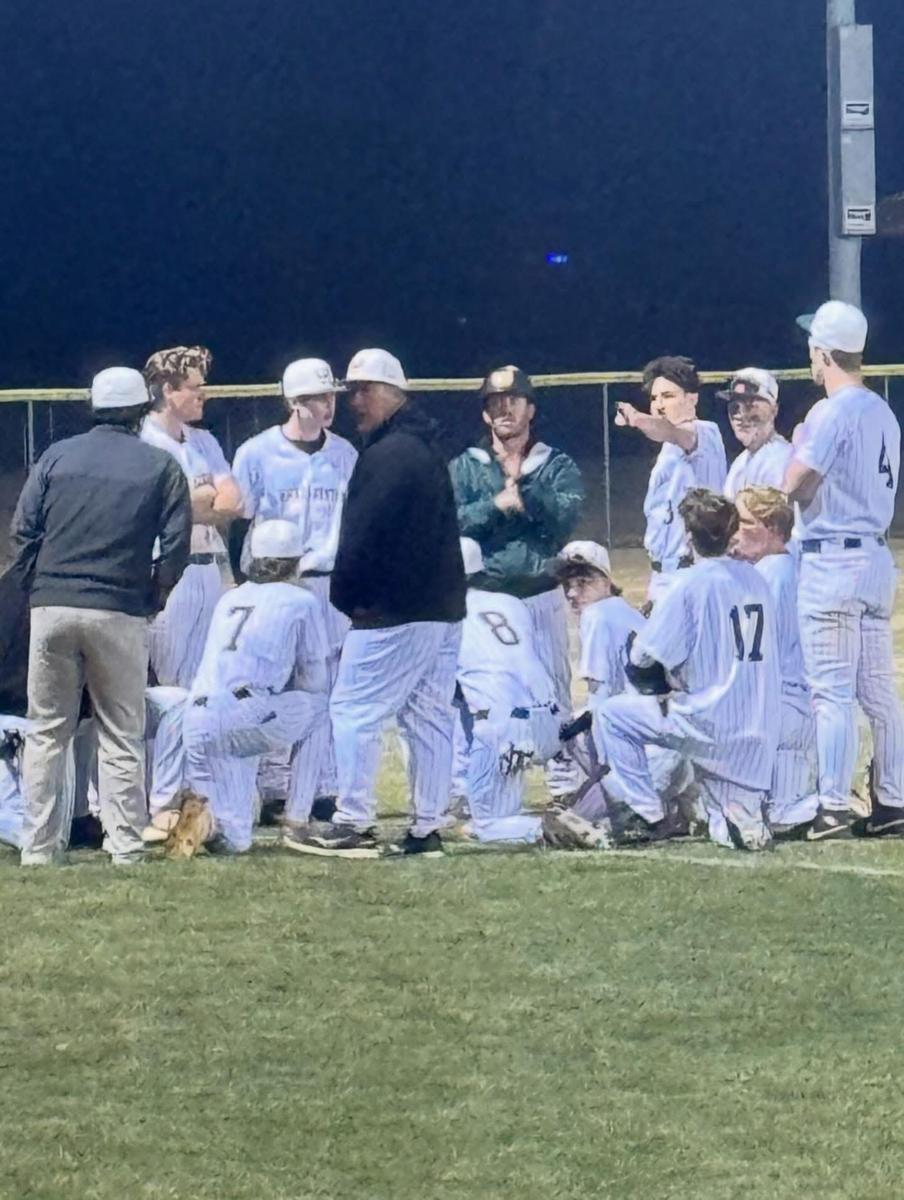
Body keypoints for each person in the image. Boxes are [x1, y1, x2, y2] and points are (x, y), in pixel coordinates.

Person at [285, 348, 466, 859]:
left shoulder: (389, 455)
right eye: (353, 391)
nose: (356, 401)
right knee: (428, 716)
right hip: (441, 606)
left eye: (366, 391)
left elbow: (362, 538)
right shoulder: (420, 447)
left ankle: (354, 819)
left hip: (396, 609)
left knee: (353, 710)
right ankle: (426, 825)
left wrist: (349, 596)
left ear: (395, 394)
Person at [9, 367, 191, 865]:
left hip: (53, 605)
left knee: (47, 732)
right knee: (120, 731)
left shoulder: (56, 456)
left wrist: (36, 591)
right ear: (141, 409)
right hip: (118, 609)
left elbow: (23, 532)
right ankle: (125, 846)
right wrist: (155, 594)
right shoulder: (160, 465)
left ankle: (38, 848)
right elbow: (176, 545)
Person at [595, 489, 779, 850]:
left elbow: (642, 662)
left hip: (709, 722)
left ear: (689, 536)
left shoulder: (689, 584)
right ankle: (739, 818)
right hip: (760, 726)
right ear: (730, 534)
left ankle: (643, 815)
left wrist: (655, 667)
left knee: (613, 714)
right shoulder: (757, 579)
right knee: (729, 822)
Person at [782, 300, 904, 839]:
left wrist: (802, 436)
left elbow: (794, 484)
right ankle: (894, 799)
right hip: (876, 556)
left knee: (830, 691)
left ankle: (831, 805)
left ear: (822, 352)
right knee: (879, 692)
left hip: (834, 559)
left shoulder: (831, 411)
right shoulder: (882, 409)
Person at [449, 365, 584, 797]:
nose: (504, 409)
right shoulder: (466, 467)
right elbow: (451, 523)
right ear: (486, 413)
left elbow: (565, 520)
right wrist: (497, 504)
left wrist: (525, 493)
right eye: (495, 403)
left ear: (531, 408)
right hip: (484, 597)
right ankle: (468, 785)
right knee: (476, 697)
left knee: (553, 691)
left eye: (512, 401)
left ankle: (565, 785)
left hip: (538, 593)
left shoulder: (555, 463)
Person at [231, 357, 357, 821]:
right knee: (272, 680)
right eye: (318, 398)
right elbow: (238, 523)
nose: (328, 406)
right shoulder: (256, 453)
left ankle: (323, 786)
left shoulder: (344, 454)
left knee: (326, 686)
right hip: (274, 583)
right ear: (293, 402)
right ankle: (272, 785)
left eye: (330, 397)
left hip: (326, 583)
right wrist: (245, 582)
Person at [175, 520, 330, 855]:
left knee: (235, 841)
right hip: (244, 715)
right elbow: (314, 680)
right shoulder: (301, 600)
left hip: (197, 718)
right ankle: (298, 819)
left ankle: (206, 825)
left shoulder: (230, 598)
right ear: (295, 561)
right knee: (322, 709)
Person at [141, 345, 242, 688]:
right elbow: (160, 511)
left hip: (211, 568)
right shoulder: (144, 442)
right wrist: (196, 501)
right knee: (167, 683)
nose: (205, 395)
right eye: (195, 387)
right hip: (169, 572)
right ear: (168, 391)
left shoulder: (204, 440)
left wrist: (190, 503)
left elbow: (231, 501)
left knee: (206, 679)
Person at [454, 537, 560, 845]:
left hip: (502, 729)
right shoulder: (510, 603)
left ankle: (546, 829)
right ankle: (535, 819)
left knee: (484, 826)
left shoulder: (446, 615)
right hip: (547, 722)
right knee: (500, 810)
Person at [732, 486, 818, 837]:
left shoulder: (768, 575)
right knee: (784, 815)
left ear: (772, 530)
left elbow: (751, 656)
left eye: (745, 522)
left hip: (774, 710)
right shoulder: (787, 567)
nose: (734, 530)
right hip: (796, 711)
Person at [616, 356, 727, 605]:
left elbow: (672, 431)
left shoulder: (703, 432)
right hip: (665, 574)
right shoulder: (669, 448)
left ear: (692, 397)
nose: (659, 405)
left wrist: (637, 418)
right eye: (655, 398)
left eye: (668, 396)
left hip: (690, 572)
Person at [718, 369, 793, 499]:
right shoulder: (740, 462)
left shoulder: (780, 459)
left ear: (774, 409)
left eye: (750, 405)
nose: (740, 415)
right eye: (734, 406)